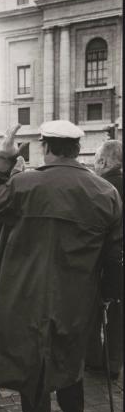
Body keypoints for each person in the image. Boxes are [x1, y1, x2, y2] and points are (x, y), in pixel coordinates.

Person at [0, 121, 122, 412]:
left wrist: (5, 158)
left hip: (26, 299)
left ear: (45, 146)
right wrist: (108, 297)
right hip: (78, 302)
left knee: (34, 376)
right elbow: (115, 256)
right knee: (70, 364)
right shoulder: (105, 193)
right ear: (76, 149)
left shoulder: (24, 184)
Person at [85, 139, 123, 380]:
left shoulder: (100, 188)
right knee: (119, 314)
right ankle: (113, 362)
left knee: (92, 313)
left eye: (95, 161)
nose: (94, 165)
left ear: (103, 161)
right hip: (121, 259)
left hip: (102, 260)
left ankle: (95, 359)